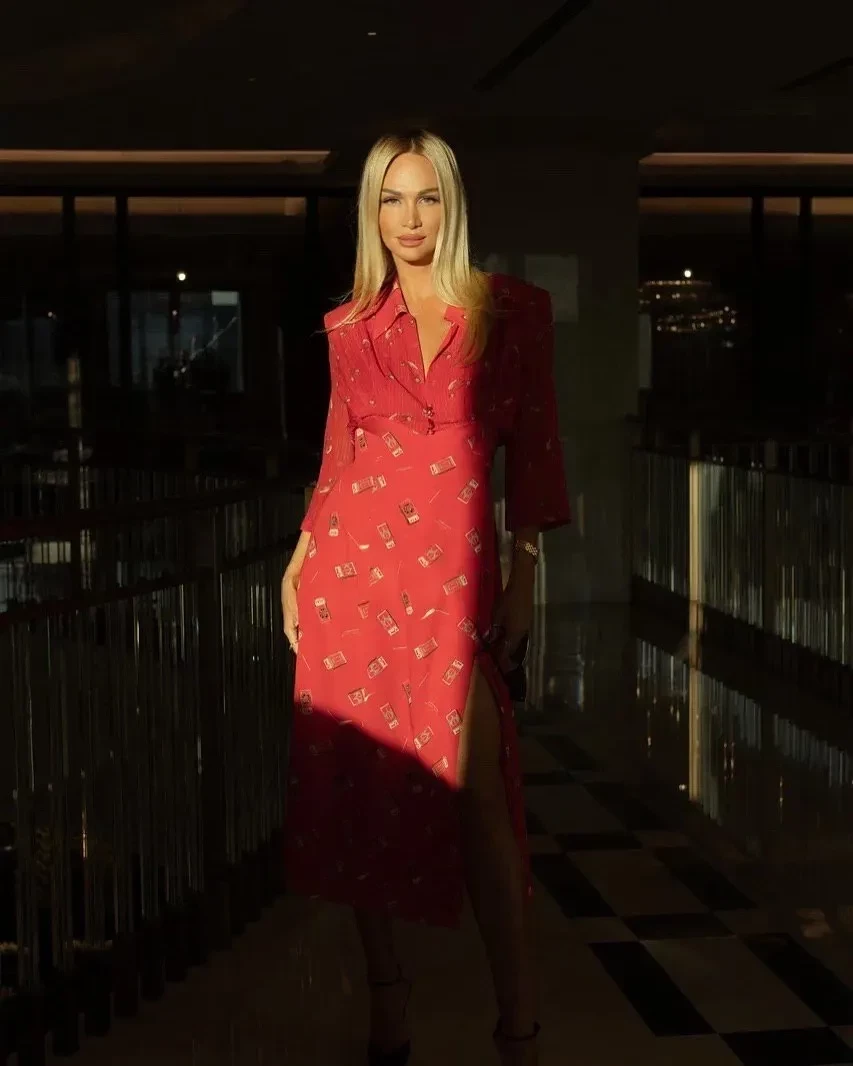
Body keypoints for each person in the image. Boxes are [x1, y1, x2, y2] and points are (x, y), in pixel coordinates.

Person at [280, 130, 570, 1066]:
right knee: (356, 788)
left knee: (477, 797)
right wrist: (298, 559)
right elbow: (338, 456)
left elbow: (535, 452)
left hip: (454, 584)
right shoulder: (348, 328)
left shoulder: (511, 313)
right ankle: (388, 996)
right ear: (371, 213)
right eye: (391, 200)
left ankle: (518, 1023)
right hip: (353, 582)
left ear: (452, 204)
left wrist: (526, 575)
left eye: (427, 197)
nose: (410, 219)